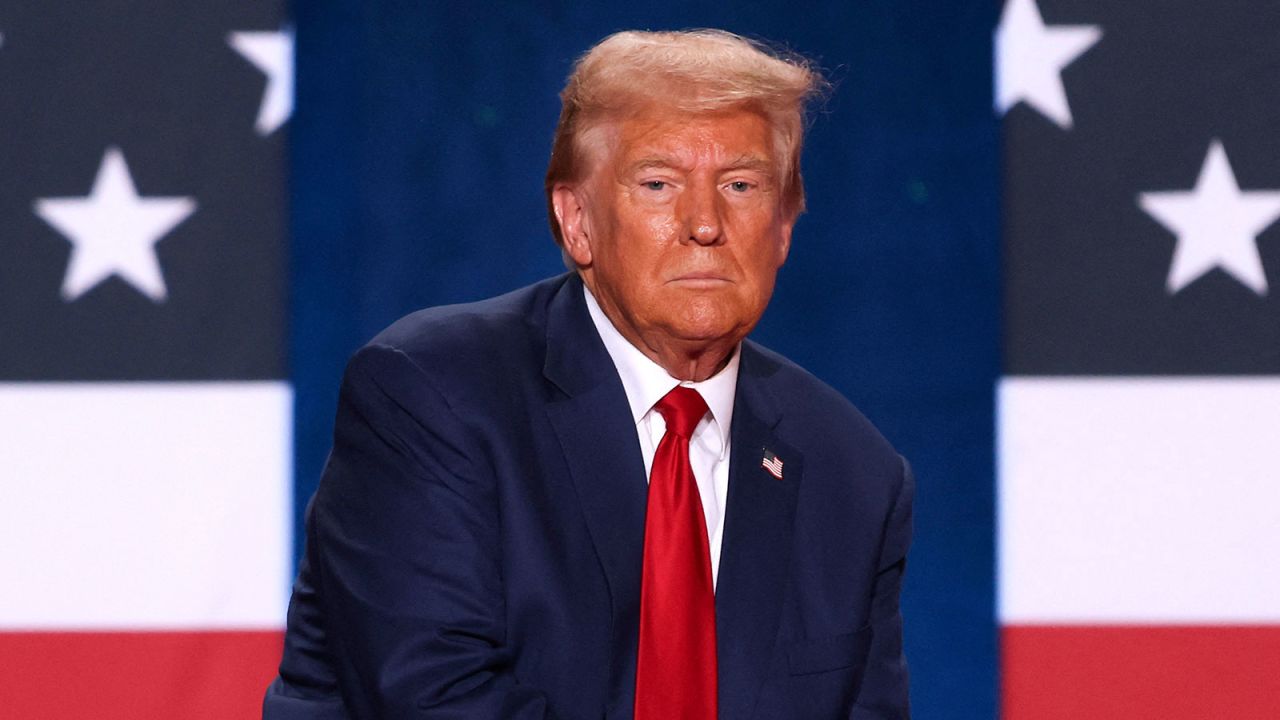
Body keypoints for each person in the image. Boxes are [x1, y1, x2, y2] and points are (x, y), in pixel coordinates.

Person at [264, 29, 913, 720]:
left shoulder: (855, 475)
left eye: (741, 185)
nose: (704, 223)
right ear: (576, 221)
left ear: (783, 225)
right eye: (659, 183)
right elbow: (433, 697)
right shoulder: (432, 395)